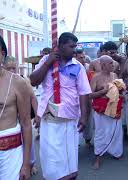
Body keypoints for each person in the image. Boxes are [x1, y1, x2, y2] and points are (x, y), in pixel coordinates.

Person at [30, 32, 91, 180]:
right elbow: (33, 81)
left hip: (69, 117)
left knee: (68, 154)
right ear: (61, 46)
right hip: (48, 117)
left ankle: (69, 176)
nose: (74, 50)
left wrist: (84, 116)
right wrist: (49, 62)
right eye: (71, 46)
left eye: (75, 46)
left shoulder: (78, 66)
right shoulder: (47, 60)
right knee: (50, 153)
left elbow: (84, 93)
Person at [0, 31, 32, 180]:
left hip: (9, 157)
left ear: (2, 54)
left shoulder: (18, 83)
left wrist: (26, 164)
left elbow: (26, 124)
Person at [3, 56, 39, 176]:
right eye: (9, 68)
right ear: (3, 67)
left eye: (14, 68)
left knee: (29, 141)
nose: (12, 71)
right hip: (9, 121)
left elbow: (33, 97)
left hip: (24, 118)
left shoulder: (23, 80)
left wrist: (38, 116)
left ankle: (31, 164)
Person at [90, 55, 125, 169]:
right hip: (101, 110)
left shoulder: (114, 75)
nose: (113, 65)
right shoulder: (96, 77)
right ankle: (98, 157)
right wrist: (104, 91)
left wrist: (120, 92)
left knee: (116, 132)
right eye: (110, 63)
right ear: (103, 65)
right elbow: (90, 95)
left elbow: (120, 91)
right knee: (100, 133)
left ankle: (116, 152)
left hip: (114, 108)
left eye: (113, 63)